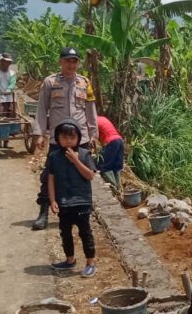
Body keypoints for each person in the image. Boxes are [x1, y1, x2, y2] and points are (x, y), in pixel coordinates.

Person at [31, 46, 99, 230]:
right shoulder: (50, 82)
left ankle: (82, 211)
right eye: (67, 60)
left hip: (81, 138)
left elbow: (90, 110)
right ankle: (43, 213)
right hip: (57, 139)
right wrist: (40, 134)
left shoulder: (85, 83)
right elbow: (42, 109)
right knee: (49, 176)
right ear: (60, 61)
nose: (71, 64)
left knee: (82, 174)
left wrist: (94, 134)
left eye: (74, 61)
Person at [46, 119, 98, 277]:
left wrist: (75, 160)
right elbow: (51, 179)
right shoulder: (54, 157)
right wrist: (53, 200)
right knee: (65, 232)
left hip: (81, 201)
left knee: (85, 233)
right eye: (64, 138)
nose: (68, 141)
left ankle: (90, 262)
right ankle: (70, 260)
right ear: (58, 138)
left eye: (72, 138)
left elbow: (90, 175)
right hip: (64, 202)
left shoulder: (84, 154)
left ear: (78, 138)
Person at [96, 114, 124, 194]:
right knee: (117, 166)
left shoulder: (93, 122)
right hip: (119, 140)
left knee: (105, 167)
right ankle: (119, 189)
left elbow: (94, 137)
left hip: (111, 142)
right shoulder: (102, 118)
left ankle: (114, 190)